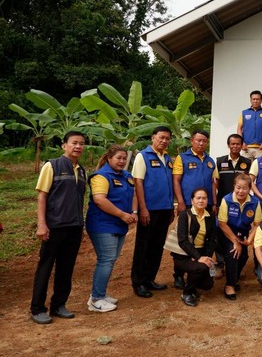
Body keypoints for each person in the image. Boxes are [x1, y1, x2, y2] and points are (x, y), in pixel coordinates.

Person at [30, 131, 87, 324]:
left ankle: (59, 305)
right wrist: (41, 224)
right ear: (64, 145)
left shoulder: (81, 170)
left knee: (66, 268)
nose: (78, 146)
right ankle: (37, 308)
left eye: (81, 144)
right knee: (45, 267)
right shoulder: (51, 165)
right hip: (54, 226)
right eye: (74, 143)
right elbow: (42, 197)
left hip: (75, 226)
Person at [86, 145, 138, 313]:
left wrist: (134, 212)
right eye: (118, 158)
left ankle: (100, 293)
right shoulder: (100, 176)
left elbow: (135, 194)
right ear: (109, 158)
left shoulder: (126, 176)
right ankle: (96, 299)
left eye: (124, 158)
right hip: (103, 224)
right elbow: (100, 200)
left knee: (110, 259)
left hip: (119, 224)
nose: (122, 161)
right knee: (106, 260)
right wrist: (123, 214)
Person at [131, 125, 174, 298]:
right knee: (144, 246)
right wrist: (143, 209)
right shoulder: (143, 156)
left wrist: (172, 207)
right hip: (149, 209)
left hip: (165, 209)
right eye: (161, 137)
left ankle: (150, 279)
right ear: (153, 138)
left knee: (157, 246)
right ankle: (138, 282)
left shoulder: (168, 158)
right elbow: (138, 183)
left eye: (167, 138)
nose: (164, 141)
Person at [172, 129, 217, 289]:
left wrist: (214, 203)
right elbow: (176, 180)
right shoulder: (182, 158)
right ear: (192, 141)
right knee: (184, 239)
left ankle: (196, 268)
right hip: (188, 204)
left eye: (204, 141)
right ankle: (178, 275)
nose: (201, 143)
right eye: (198, 140)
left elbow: (213, 183)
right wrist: (181, 203)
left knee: (202, 236)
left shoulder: (210, 161)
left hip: (206, 205)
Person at [217, 173, 262, 300]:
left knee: (244, 256)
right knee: (233, 252)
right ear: (234, 187)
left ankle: (233, 278)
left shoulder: (255, 202)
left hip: (243, 233)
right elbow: (222, 223)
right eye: (238, 187)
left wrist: (249, 240)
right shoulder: (226, 200)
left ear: (249, 189)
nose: (241, 191)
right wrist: (236, 242)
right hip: (226, 232)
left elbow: (257, 224)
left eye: (244, 188)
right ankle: (230, 285)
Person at [213, 134, 251, 280]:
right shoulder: (219, 161)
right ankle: (220, 263)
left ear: (242, 145)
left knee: (241, 230)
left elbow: (249, 183)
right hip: (223, 204)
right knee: (220, 233)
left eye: (238, 144)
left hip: (241, 206)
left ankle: (237, 263)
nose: (235, 146)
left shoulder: (247, 162)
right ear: (228, 145)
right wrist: (215, 203)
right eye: (232, 144)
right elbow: (215, 184)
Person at [171, 188, 217, 307]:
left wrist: (206, 256)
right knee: (200, 268)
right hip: (183, 254)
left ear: (207, 201)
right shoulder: (184, 215)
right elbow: (182, 241)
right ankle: (187, 292)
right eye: (198, 198)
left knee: (208, 285)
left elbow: (212, 240)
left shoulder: (211, 216)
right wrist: (197, 257)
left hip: (201, 252)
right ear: (192, 200)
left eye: (204, 198)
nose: (201, 200)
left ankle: (193, 281)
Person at [237, 90, 262, 161]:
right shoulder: (244, 113)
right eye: (254, 99)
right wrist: (241, 143)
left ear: (261, 100)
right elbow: (239, 129)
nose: (255, 101)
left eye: (257, 99)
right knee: (246, 170)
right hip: (247, 147)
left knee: (260, 170)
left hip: (261, 148)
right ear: (250, 100)